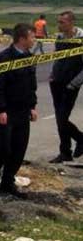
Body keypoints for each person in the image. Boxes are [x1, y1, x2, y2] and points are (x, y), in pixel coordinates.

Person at [0, 23, 38, 198]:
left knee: (19, 148)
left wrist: (32, 106)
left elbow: (32, 85)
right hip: (6, 111)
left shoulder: (29, 57)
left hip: (23, 110)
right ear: (22, 38)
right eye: (32, 36)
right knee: (2, 147)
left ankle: (7, 182)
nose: (34, 40)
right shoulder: (2, 58)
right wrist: (0, 110)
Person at [48, 10, 83, 163]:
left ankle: (81, 139)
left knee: (62, 118)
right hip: (56, 82)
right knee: (59, 119)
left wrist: (75, 83)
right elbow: (58, 57)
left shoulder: (80, 39)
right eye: (58, 22)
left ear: (71, 22)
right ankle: (65, 152)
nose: (59, 25)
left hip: (71, 85)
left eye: (62, 22)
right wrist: (52, 74)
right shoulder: (60, 38)